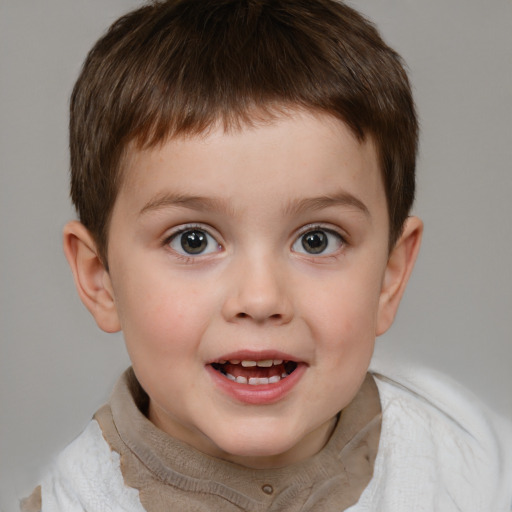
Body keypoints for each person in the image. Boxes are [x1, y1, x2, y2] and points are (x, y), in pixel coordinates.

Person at [21, 0, 512, 510]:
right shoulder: (72, 501)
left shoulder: (473, 473)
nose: (260, 298)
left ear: (390, 276)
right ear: (100, 277)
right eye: (193, 240)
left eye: (317, 240)